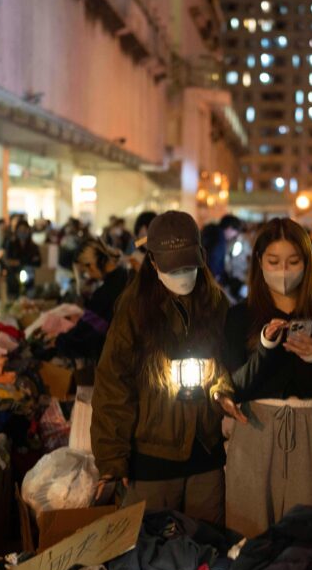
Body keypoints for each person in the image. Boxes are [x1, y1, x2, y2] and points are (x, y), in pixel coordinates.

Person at [222, 218, 312, 538]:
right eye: (273, 261)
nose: (283, 270)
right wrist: (267, 347)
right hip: (255, 429)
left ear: (307, 263)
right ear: (259, 262)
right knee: (250, 533)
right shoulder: (241, 315)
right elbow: (236, 386)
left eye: (293, 261)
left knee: (310, 537)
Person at [91, 211, 231, 524]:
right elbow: (113, 383)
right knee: (152, 554)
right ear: (153, 262)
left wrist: (223, 388)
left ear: (201, 257)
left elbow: (232, 366)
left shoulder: (216, 304)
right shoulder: (134, 309)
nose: (182, 274)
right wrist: (113, 458)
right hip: (152, 460)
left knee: (205, 550)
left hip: (205, 455)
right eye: (173, 266)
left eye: (188, 264)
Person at [0, 219, 41, 300]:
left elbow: (38, 262)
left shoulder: (33, 247)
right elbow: (8, 261)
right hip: (13, 279)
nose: (22, 232)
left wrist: (19, 262)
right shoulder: (11, 244)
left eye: (24, 230)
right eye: (20, 230)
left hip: (29, 281)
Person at [203, 214, 243, 287]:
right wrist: (218, 277)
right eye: (234, 234)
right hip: (208, 279)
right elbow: (214, 260)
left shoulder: (210, 231)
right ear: (230, 228)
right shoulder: (219, 239)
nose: (233, 237)